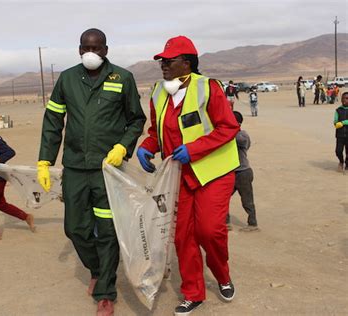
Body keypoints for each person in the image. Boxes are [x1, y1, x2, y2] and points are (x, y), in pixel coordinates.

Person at [37, 28, 146, 316]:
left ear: (106, 50)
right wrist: (45, 160)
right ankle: (97, 269)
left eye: (97, 48)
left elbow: (136, 120)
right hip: (74, 167)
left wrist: (123, 147)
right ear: (78, 49)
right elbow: (53, 120)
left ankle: (105, 293)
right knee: (75, 228)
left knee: (107, 230)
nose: (91, 53)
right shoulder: (67, 79)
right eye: (86, 47)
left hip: (107, 170)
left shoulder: (122, 78)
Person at [137, 36, 240, 315]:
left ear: (188, 63)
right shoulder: (159, 92)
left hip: (213, 172)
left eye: (169, 61)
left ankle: (222, 275)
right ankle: (193, 292)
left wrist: (194, 150)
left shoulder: (209, 88)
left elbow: (228, 128)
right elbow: (157, 132)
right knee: (183, 236)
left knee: (209, 230)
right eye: (161, 61)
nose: (163, 66)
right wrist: (147, 148)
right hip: (178, 175)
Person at [226, 111, 259, 232]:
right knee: (223, 198)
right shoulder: (228, 134)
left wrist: (230, 129)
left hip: (243, 172)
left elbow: (240, 141)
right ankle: (226, 222)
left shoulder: (242, 135)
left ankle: (253, 223)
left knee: (247, 200)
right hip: (231, 173)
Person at [334, 92, 348, 173]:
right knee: (338, 151)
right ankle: (341, 161)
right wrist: (336, 124)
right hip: (340, 135)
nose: (344, 100)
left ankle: (347, 165)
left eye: (346, 98)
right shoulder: (338, 110)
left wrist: (343, 122)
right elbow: (335, 121)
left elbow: (343, 122)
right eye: (343, 98)